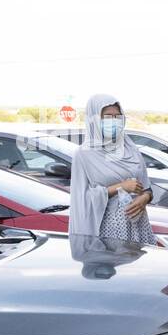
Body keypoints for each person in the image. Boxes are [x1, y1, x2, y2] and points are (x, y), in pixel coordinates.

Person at [68, 94, 155, 244]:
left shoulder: (130, 149)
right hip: (106, 231)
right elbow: (81, 200)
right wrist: (121, 187)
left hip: (138, 227)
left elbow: (147, 189)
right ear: (94, 119)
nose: (114, 121)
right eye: (108, 117)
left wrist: (145, 198)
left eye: (117, 117)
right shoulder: (83, 154)